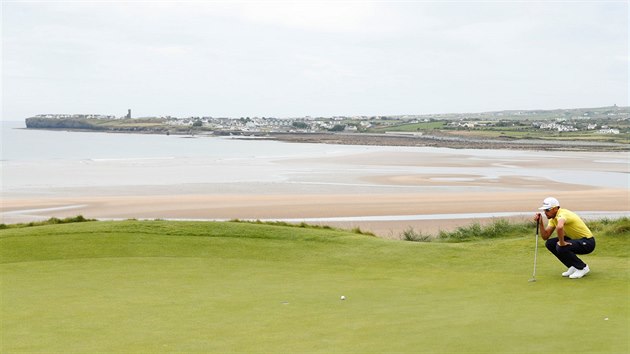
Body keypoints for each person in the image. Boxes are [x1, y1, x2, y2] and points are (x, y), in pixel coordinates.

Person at [534, 197, 595, 279]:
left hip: (587, 242)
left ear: (555, 208)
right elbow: (545, 236)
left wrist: (562, 243)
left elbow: (559, 227)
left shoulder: (563, 214)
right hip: (574, 240)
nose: (545, 212)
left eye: (547, 210)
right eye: (544, 210)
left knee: (561, 247)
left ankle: (582, 267)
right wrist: (540, 223)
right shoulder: (553, 218)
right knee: (550, 243)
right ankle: (573, 266)